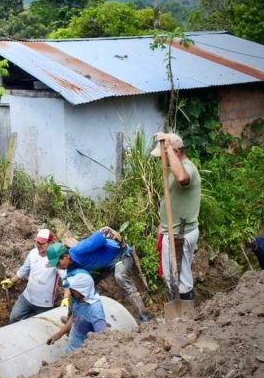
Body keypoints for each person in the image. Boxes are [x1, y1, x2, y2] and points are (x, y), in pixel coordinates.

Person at [50, 227, 151, 322]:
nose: (58, 267)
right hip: (102, 267)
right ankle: (71, 320)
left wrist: (122, 244)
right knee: (77, 288)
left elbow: (105, 230)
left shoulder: (82, 248)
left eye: (58, 263)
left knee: (120, 276)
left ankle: (144, 315)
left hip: (120, 256)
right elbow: (73, 289)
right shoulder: (70, 268)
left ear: (66, 256)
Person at [151, 132, 201, 301]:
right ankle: (182, 311)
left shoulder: (187, 169)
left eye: (162, 156)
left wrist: (168, 148)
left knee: (180, 279)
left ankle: (187, 316)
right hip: (172, 231)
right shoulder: (173, 169)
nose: (161, 161)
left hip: (179, 233)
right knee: (174, 277)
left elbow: (182, 177)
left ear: (176, 153)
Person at [0, 229, 59, 323]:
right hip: (27, 298)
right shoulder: (33, 253)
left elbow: (66, 279)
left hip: (44, 304)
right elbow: (24, 269)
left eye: (42, 243)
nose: (39, 244)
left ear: (50, 243)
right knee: (13, 319)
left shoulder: (55, 258)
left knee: (40, 328)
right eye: (38, 242)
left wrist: (66, 298)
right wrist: (11, 281)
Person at [46, 269, 107, 353]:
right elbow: (74, 318)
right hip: (72, 347)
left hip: (82, 354)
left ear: (84, 290)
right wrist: (58, 334)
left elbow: (103, 340)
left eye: (74, 289)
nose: (72, 291)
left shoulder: (95, 311)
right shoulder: (78, 300)